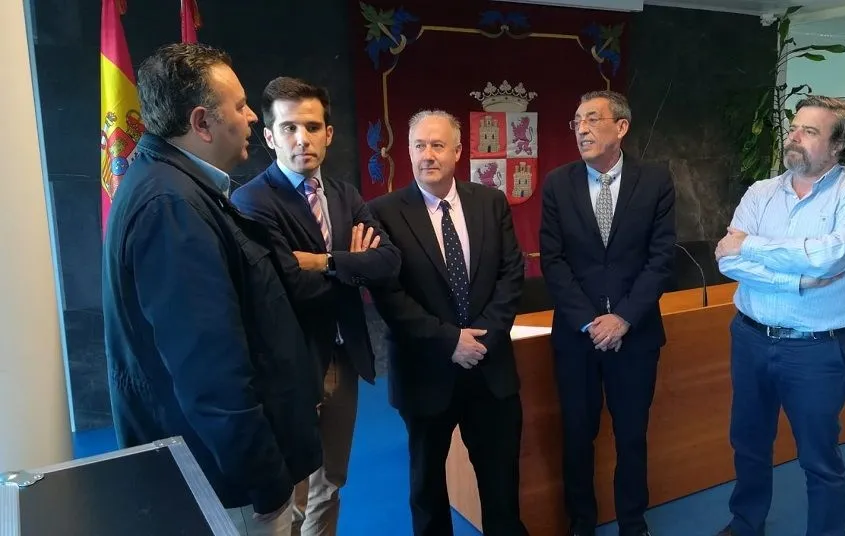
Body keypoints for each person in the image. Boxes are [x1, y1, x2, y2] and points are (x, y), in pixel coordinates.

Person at [102, 43, 322, 536]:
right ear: (202, 123)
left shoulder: (176, 188)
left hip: (221, 472)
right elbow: (211, 373)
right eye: (241, 106)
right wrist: (266, 484)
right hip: (230, 487)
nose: (250, 118)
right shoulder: (170, 206)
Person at [230, 76, 400, 536]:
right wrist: (352, 264)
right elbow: (289, 288)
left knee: (332, 481)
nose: (301, 138)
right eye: (288, 128)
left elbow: (387, 262)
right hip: (291, 364)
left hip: (344, 357)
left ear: (329, 132)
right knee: (293, 490)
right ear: (268, 136)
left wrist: (325, 261)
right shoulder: (250, 203)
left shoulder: (344, 194)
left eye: (311, 125)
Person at [714, 95, 845, 536]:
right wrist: (796, 279)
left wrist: (751, 246)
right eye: (794, 127)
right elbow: (725, 260)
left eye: (809, 131)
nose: (794, 136)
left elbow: (828, 256)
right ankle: (746, 522)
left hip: (816, 350)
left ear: (838, 147)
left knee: (819, 457)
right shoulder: (760, 192)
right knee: (749, 442)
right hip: (750, 338)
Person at [368, 110, 527, 536]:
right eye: (419, 145)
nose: (427, 155)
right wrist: (449, 341)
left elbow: (512, 274)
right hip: (425, 372)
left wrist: (483, 339)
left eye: (437, 145)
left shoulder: (490, 202)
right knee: (427, 491)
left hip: (490, 369)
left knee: (501, 487)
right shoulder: (382, 212)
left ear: (458, 151)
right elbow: (389, 295)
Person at [539, 90, 676, 536]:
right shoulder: (559, 183)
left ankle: (633, 524)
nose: (581, 128)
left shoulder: (655, 181)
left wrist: (624, 319)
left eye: (592, 119)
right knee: (578, 436)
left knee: (632, 437)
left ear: (621, 127)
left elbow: (660, 259)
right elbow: (552, 260)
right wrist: (589, 320)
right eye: (576, 120)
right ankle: (581, 524)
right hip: (577, 338)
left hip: (634, 336)